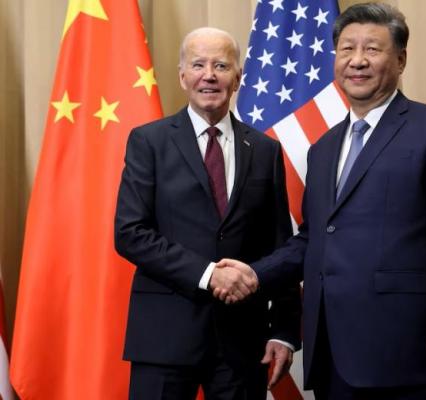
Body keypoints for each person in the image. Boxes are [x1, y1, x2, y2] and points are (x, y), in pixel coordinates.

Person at [214, 3, 426, 400]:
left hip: (405, 348)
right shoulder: (323, 148)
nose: (357, 61)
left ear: (401, 59)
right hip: (332, 351)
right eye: (346, 49)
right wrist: (255, 274)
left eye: (372, 49)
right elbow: (313, 237)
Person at [114, 27, 300, 400]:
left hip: (242, 343)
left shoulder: (264, 150)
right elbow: (130, 233)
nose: (209, 75)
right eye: (198, 64)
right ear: (183, 76)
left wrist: (283, 330)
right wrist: (208, 274)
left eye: (221, 65)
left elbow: (280, 247)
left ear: (238, 76)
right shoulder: (148, 141)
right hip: (164, 338)